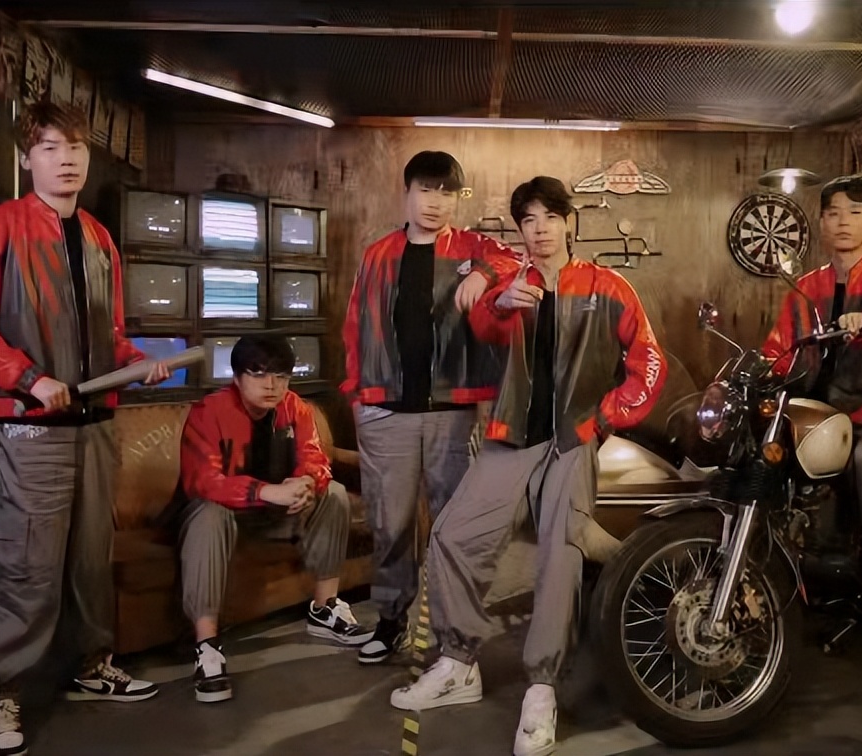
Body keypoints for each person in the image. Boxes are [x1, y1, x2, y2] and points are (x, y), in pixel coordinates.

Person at [390, 176, 668, 756]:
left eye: (550, 218)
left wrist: (604, 418)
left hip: (572, 437)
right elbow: (484, 325)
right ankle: (458, 661)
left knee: (560, 549)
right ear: (519, 229)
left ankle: (542, 689)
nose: (540, 230)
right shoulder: (512, 284)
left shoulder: (608, 286)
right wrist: (500, 302)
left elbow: (648, 362)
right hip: (512, 433)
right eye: (528, 220)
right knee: (450, 535)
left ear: (569, 222)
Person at [0, 102, 170, 756]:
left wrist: (135, 363)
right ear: (26, 158)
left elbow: (110, 335)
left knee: (89, 559)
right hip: (31, 431)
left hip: (96, 427)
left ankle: (93, 665)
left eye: (75, 146)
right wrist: (28, 378)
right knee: (26, 563)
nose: (66, 159)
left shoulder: (98, 238)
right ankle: (4, 695)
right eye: (49, 147)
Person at [341, 151, 519, 664]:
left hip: (451, 409)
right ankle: (390, 619)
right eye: (426, 189)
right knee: (390, 524)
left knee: (452, 523)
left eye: (447, 192)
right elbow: (356, 327)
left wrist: (482, 274)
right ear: (407, 193)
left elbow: (515, 259)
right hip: (384, 410)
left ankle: (451, 630)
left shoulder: (471, 247)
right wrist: (357, 395)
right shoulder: (378, 254)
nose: (435, 202)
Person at [171, 335, 372, 703]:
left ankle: (325, 608)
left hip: (275, 515)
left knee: (333, 493)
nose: (271, 385)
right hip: (222, 518)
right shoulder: (209, 411)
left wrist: (306, 483)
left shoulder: (297, 408)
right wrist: (264, 491)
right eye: (259, 374)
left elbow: (315, 458)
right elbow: (203, 481)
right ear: (237, 377)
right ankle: (207, 645)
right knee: (209, 514)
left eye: (281, 376)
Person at [761, 176, 862, 628]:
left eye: (855, 212)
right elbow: (780, 346)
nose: (843, 221)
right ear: (822, 223)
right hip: (815, 409)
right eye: (833, 213)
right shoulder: (805, 286)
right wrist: (763, 367)